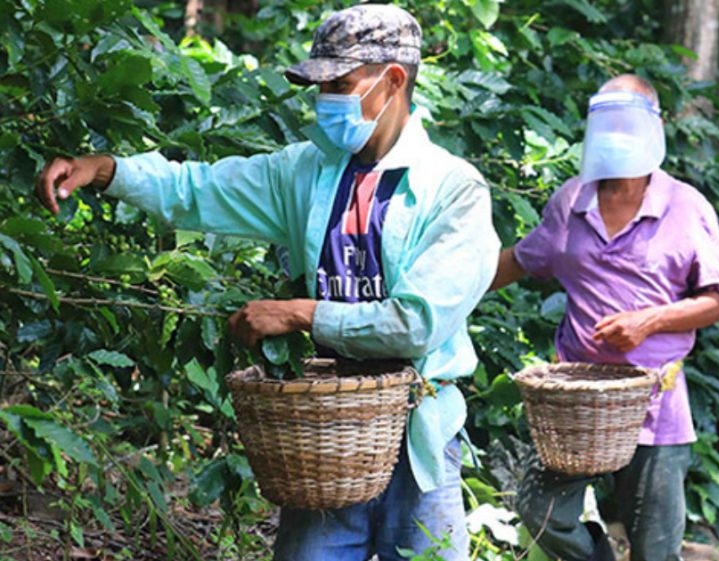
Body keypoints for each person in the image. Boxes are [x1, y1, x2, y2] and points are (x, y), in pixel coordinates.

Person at [33, 5, 499, 560]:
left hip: (420, 436)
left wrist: (301, 313)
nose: (326, 99)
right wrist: (108, 171)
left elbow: (416, 324)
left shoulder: (453, 189)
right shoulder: (308, 171)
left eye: (341, 84)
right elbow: (201, 190)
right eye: (321, 86)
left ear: (392, 80)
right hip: (324, 432)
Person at [490, 74, 719, 561]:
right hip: (577, 403)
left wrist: (649, 321)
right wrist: (443, 289)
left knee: (655, 549)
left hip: (655, 405)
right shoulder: (571, 201)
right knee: (539, 508)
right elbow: (521, 260)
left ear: (655, 126)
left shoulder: (685, 206)